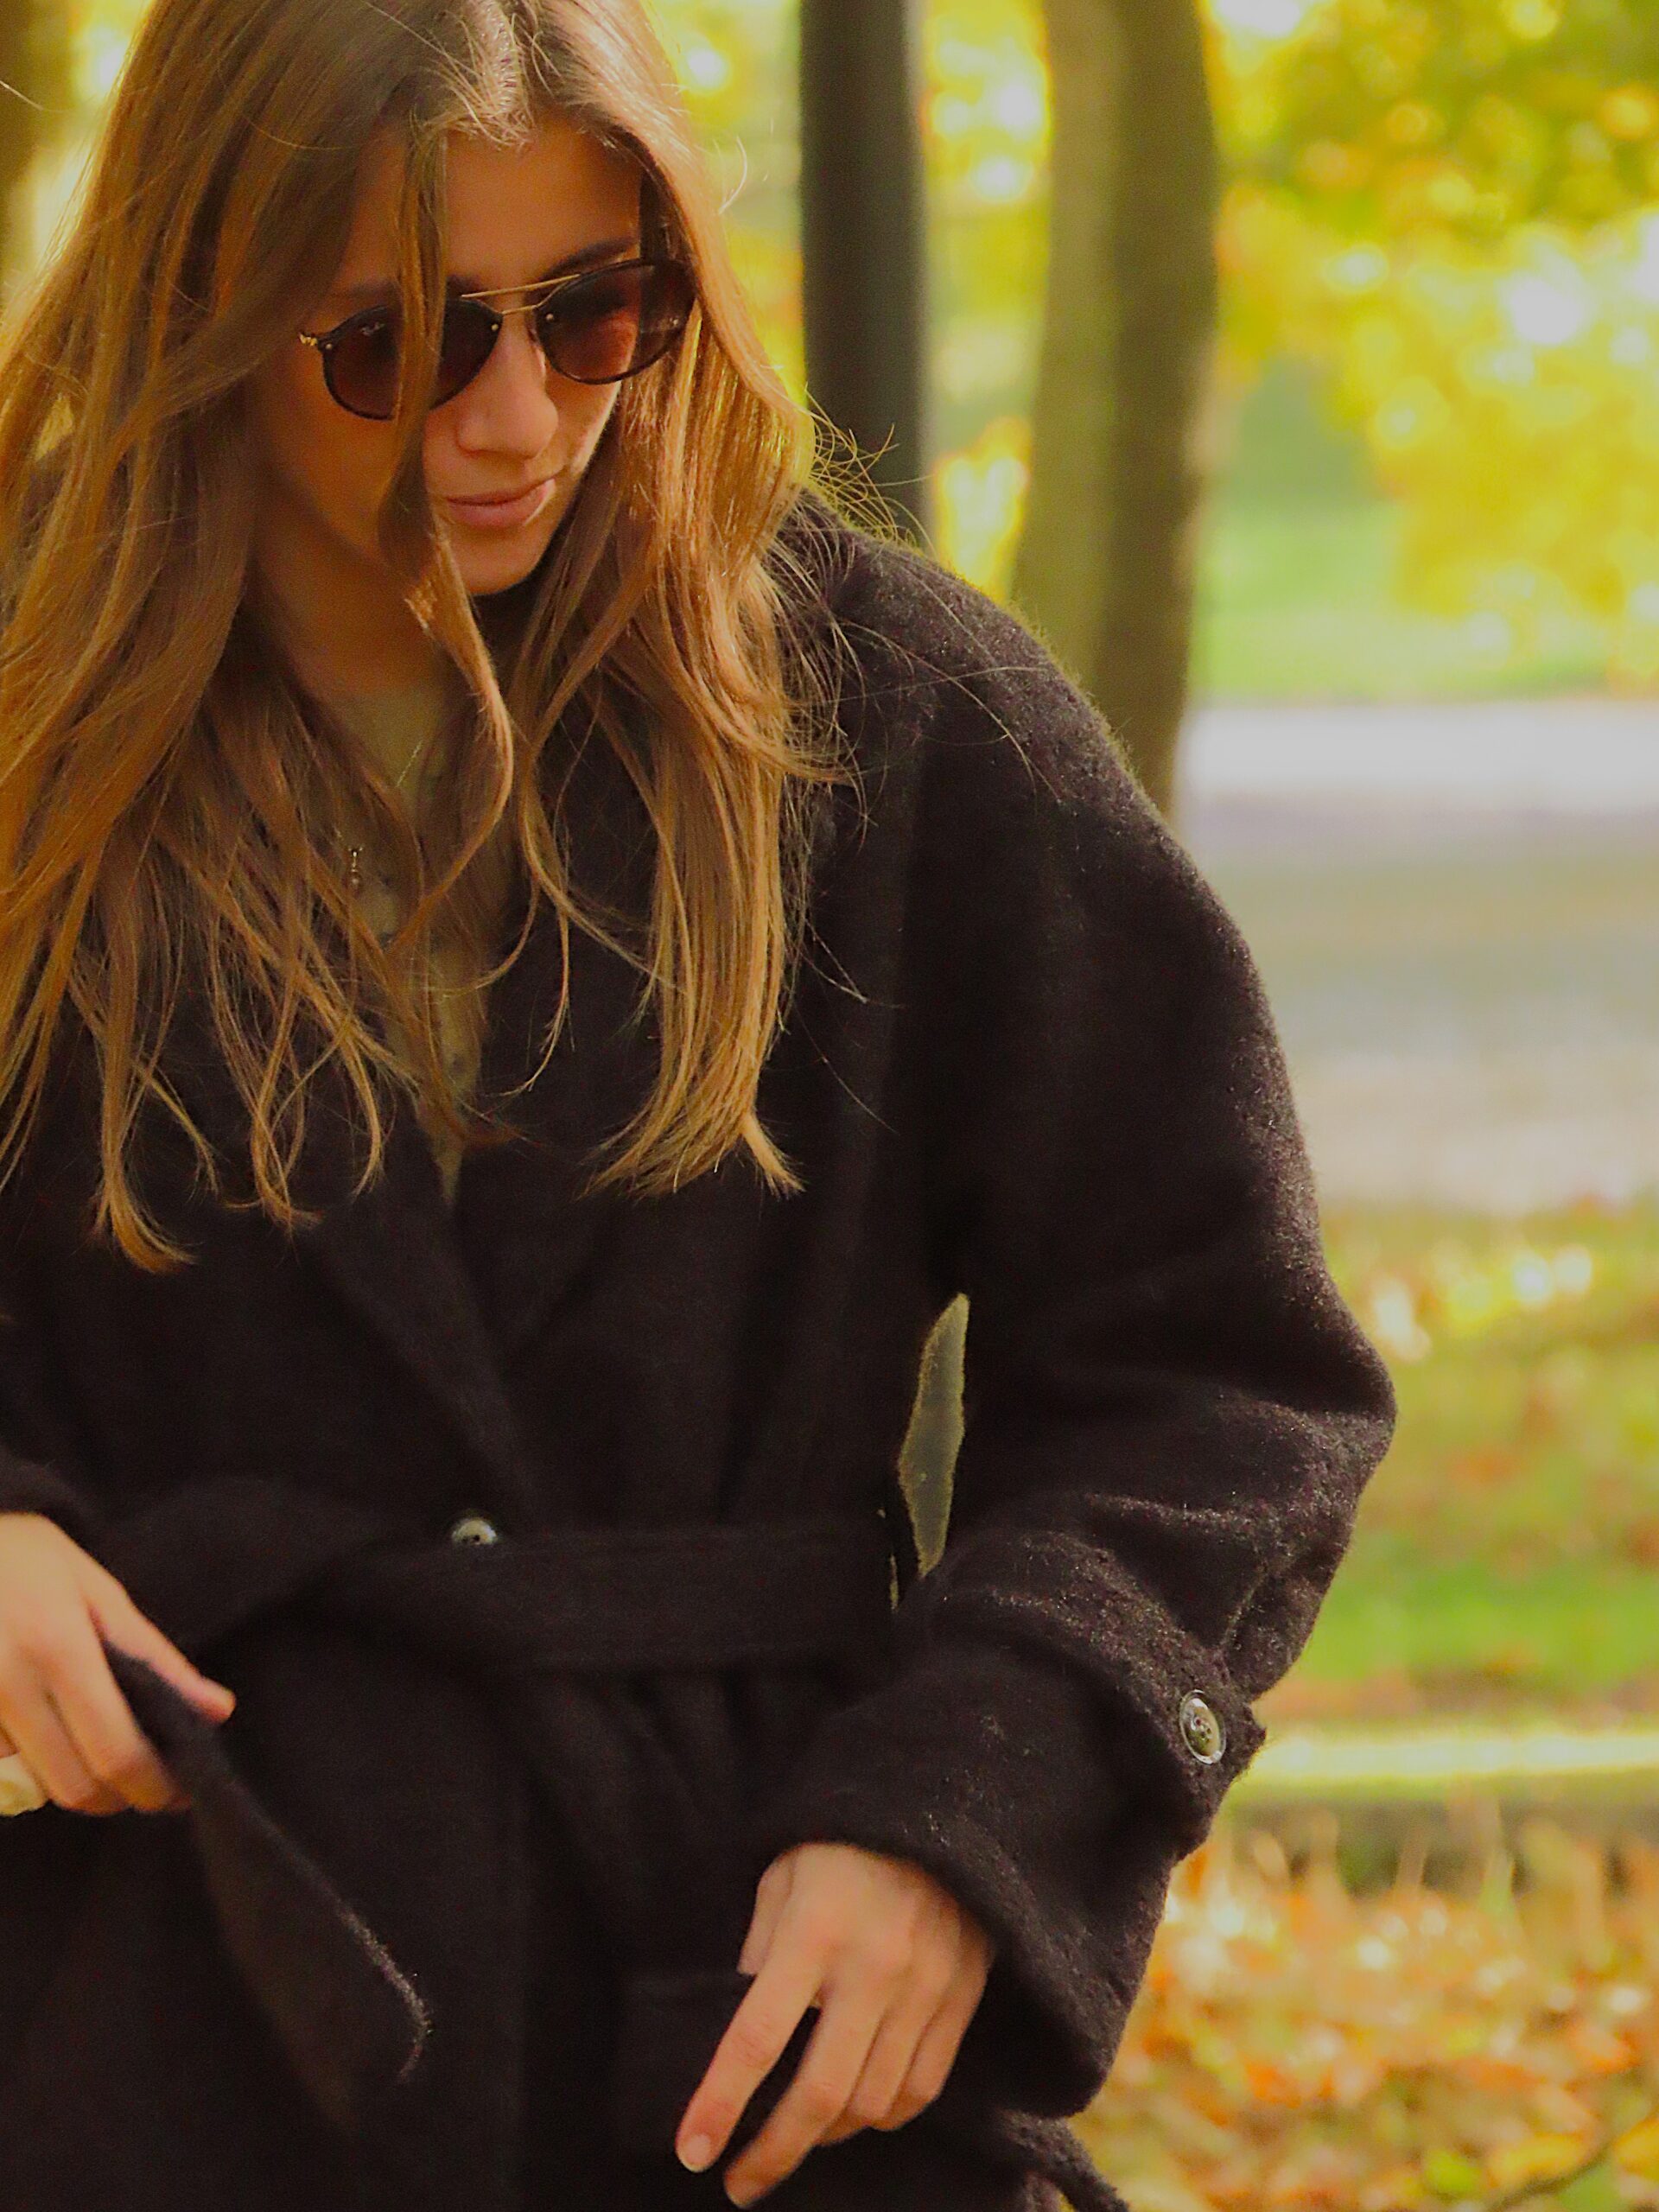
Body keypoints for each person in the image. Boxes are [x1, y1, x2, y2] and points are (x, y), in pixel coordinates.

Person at [0, 2, 1396, 2209]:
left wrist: (964, 1814)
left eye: (594, 312)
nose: (519, 418)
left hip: (757, 2037)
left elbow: (1215, 1363)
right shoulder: (27, 707)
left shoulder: (882, 705)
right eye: (397, 345)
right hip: (149, 2020)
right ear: (206, 301)